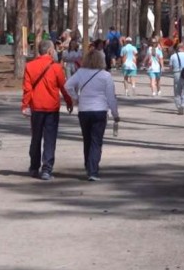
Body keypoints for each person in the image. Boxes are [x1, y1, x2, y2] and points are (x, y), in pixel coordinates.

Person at [21, 40, 73, 181]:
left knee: (36, 138)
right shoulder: (56, 68)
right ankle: (46, 170)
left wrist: (25, 105)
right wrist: (69, 102)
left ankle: (33, 167)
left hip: (36, 107)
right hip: (51, 108)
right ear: (50, 51)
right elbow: (64, 87)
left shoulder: (30, 66)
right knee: (50, 139)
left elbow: (27, 88)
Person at [65, 50, 119, 181]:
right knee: (96, 140)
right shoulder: (106, 75)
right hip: (100, 110)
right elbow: (111, 97)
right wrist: (115, 113)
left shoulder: (81, 73)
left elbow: (67, 85)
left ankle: (88, 165)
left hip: (84, 110)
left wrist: (76, 97)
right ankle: (93, 170)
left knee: (87, 139)